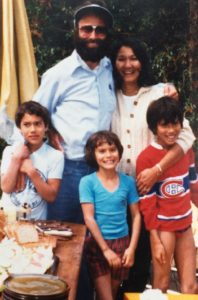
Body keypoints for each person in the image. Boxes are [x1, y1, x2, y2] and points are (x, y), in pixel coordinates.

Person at [110, 36, 195, 294]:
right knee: (114, 262)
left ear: (143, 61)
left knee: (144, 262)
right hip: (116, 192)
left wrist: (156, 170)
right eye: (121, 58)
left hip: (153, 194)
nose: (128, 64)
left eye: (133, 58)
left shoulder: (159, 92)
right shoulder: (106, 96)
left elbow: (186, 136)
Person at [136, 96, 198, 293]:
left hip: (185, 226)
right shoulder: (146, 159)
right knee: (161, 286)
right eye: (164, 126)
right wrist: (155, 239)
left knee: (190, 287)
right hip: (163, 229)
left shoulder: (185, 151)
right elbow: (147, 204)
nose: (171, 131)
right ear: (154, 128)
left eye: (175, 124)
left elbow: (194, 185)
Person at [79, 130, 141, 300]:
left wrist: (132, 249)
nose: (108, 155)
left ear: (119, 153)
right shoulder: (88, 182)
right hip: (98, 245)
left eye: (112, 150)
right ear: (93, 154)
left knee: (111, 295)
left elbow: (136, 216)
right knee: (106, 297)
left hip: (123, 244)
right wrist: (105, 250)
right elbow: (88, 218)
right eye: (102, 151)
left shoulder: (128, 182)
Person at [0, 101, 64, 220]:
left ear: (46, 127)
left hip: (36, 224)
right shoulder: (10, 152)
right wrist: (16, 160)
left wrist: (32, 172)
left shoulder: (55, 156)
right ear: (19, 128)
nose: (33, 129)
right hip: (6, 221)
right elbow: (6, 188)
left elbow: (51, 196)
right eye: (27, 124)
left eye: (38, 124)